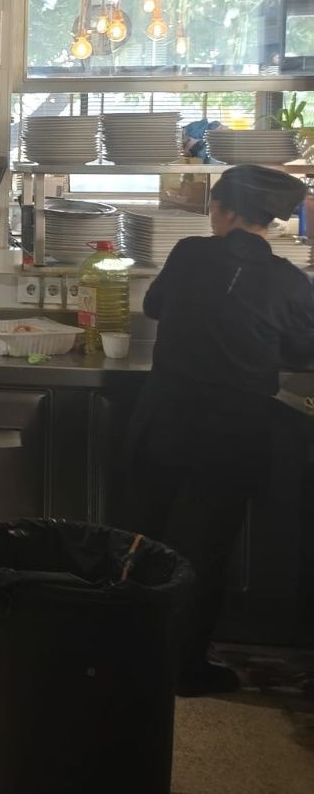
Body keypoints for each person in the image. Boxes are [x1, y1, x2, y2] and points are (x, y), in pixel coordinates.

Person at [122, 163, 314, 696]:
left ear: (224, 211)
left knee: (145, 532)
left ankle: (127, 650)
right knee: (203, 548)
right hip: (232, 432)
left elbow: (153, 306)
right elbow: (302, 349)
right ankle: (184, 667)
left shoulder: (188, 254)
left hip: (163, 418)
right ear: (269, 221)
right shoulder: (289, 280)